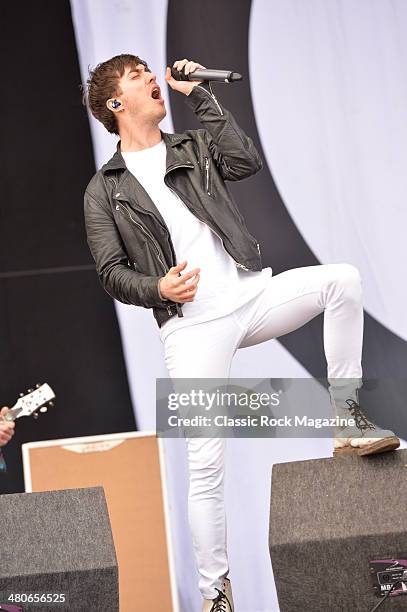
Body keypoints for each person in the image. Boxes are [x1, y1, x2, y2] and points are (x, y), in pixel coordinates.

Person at [83, 54, 400, 612]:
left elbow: (244, 160)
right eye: (138, 77)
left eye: (149, 72)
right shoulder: (104, 189)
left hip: (249, 296)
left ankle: (347, 418)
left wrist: (200, 96)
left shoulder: (190, 147)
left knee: (342, 282)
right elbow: (111, 272)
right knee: (206, 464)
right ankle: (216, 596)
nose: (153, 78)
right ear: (116, 103)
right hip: (192, 327)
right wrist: (160, 289)